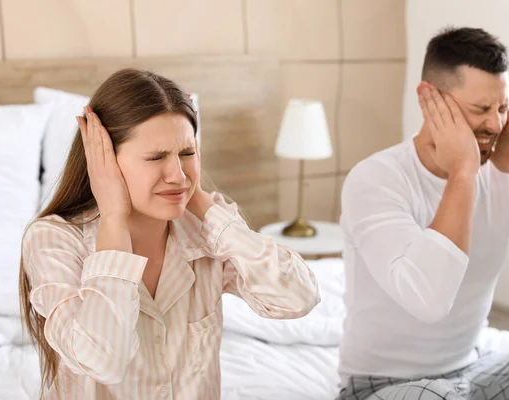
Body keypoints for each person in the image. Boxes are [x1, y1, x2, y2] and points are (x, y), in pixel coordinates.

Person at [19, 68, 320, 399]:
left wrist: (204, 203)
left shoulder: (206, 229)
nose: (178, 175)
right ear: (104, 163)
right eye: (156, 157)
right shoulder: (54, 240)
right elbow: (103, 360)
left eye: (187, 153)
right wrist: (114, 219)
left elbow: (297, 298)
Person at [337, 27, 509, 399]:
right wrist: (462, 174)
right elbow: (428, 301)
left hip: (473, 371)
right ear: (429, 98)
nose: (495, 124)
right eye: (481, 109)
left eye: (502, 108)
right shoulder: (375, 179)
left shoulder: (504, 176)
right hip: (381, 385)